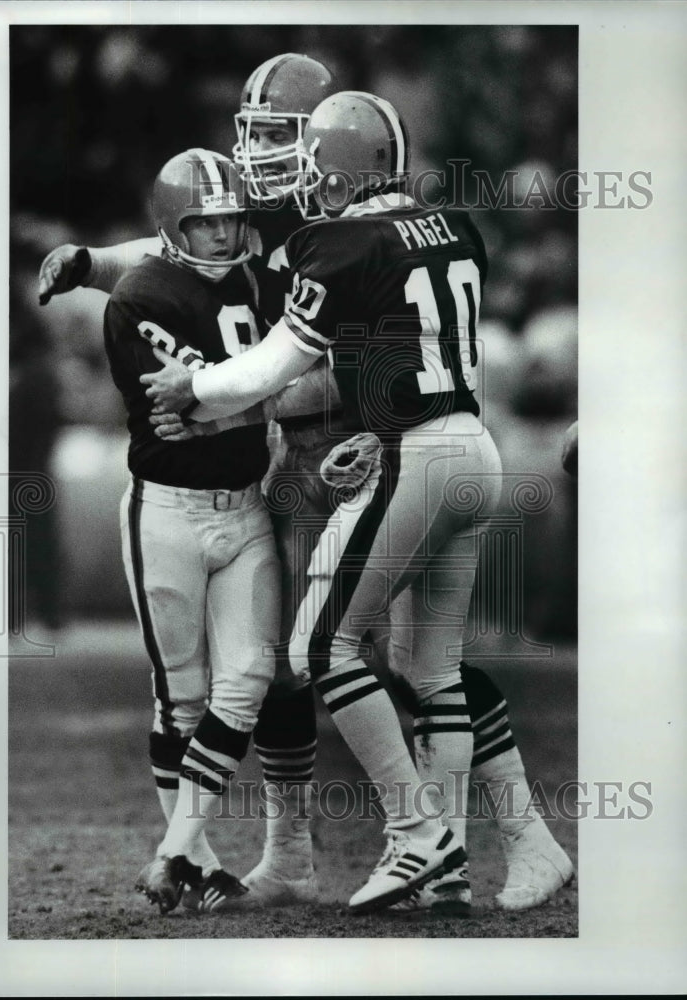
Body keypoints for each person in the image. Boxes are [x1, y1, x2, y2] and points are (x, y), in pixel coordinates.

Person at [39, 56, 572, 914]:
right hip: (322, 458)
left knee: (381, 661)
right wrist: (96, 260)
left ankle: (444, 845)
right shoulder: (371, 215)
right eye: (255, 133)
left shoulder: (342, 228)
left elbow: (325, 361)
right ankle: (315, 853)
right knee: (332, 665)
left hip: (370, 440)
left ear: (333, 139)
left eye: (284, 133)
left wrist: (219, 397)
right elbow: (184, 246)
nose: (261, 153)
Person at [102, 147, 282, 913]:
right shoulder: (141, 295)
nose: (222, 233)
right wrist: (263, 398)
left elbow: (219, 407)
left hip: (246, 505)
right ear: (174, 227)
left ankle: (172, 851)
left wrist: (239, 404)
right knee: (180, 694)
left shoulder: (257, 277)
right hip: (166, 510)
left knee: (248, 673)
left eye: (231, 218)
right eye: (205, 221)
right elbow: (177, 419)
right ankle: (199, 856)